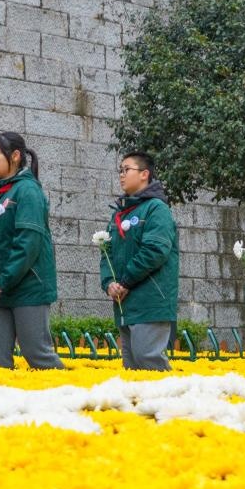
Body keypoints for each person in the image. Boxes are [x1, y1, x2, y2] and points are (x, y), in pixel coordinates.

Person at [0, 132, 63, 370]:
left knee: (37, 354)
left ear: (15, 156)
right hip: (0, 287)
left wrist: (3, 282)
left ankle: (68, 401)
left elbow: (28, 243)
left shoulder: (28, 191)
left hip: (28, 286)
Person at [100, 152, 179, 370]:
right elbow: (106, 251)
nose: (122, 175)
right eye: (120, 170)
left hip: (151, 301)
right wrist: (109, 283)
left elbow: (155, 250)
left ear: (144, 174)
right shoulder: (121, 213)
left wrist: (125, 282)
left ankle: (175, 404)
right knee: (132, 366)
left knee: (148, 359)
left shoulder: (156, 208)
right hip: (125, 303)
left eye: (127, 170)